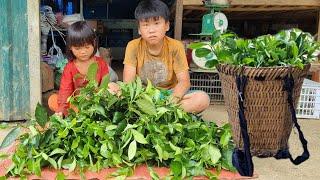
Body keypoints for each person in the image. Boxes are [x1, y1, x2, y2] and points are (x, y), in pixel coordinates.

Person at [123, 0, 210, 113]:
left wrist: (171, 101)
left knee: (202, 99)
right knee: (111, 88)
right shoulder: (133, 46)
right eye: (145, 25)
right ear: (139, 29)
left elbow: (184, 81)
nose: (151, 30)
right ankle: (159, 113)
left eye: (156, 23)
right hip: (142, 96)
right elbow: (128, 82)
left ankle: (158, 113)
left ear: (167, 26)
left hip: (169, 94)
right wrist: (141, 100)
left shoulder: (176, 46)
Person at [48, 21, 118, 116]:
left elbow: (104, 85)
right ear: (70, 48)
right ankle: (76, 112)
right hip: (77, 103)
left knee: (114, 88)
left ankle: (82, 113)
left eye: (87, 47)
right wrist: (61, 109)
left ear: (94, 44)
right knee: (53, 100)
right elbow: (65, 90)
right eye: (77, 48)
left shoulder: (101, 63)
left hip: (96, 103)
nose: (83, 52)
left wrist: (109, 90)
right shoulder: (69, 67)